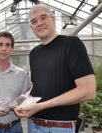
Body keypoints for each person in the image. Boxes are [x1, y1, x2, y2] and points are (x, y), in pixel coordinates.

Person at [14, 4, 96, 133]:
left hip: (59, 126)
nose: (39, 23)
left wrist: (40, 106)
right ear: (31, 27)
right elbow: (37, 86)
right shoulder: (34, 53)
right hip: (33, 124)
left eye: (43, 17)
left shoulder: (71, 44)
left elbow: (88, 91)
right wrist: (21, 101)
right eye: (34, 21)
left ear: (53, 20)